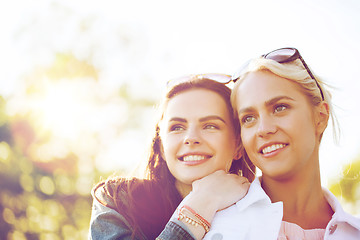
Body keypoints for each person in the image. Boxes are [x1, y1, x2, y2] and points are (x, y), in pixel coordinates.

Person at [203, 47, 360, 239]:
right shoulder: (216, 229)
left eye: (280, 108)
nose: (263, 129)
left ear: (320, 116)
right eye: (248, 118)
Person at [88, 75, 255, 240]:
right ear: (161, 145)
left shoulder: (262, 209)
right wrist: (199, 208)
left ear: (238, 145)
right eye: (177, 127)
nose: (190, 137)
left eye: (210, 126)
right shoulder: (118, 202)